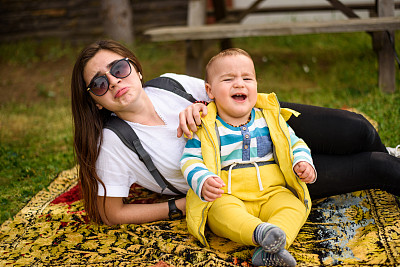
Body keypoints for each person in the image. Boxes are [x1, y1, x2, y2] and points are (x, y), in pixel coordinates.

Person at [70, 39, 400, 227]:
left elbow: (226, 89)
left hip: (266, 126)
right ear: (95, 101)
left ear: (137, 70)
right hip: (260, 176)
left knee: (359, 130)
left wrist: (205, 106)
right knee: (376, 166)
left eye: (118, 68)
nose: (113, 81)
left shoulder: (171, 84)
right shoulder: (114, 142)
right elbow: (108, 213)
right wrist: (178, 206)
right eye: (99, 83)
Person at [180, 48, 316, 266]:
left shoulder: (269, 119)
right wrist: (203, 179)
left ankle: (272, 246)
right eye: (228, 79)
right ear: (210, 90)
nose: (239, 84)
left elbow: (294, 142)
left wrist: (302, 162)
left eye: (247, 78)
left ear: (256, 86)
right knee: (220, 213)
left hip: (272, 191)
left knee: (295, 206)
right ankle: (260, 233)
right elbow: (190, 160)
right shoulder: (206, 126)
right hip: (228, 193)